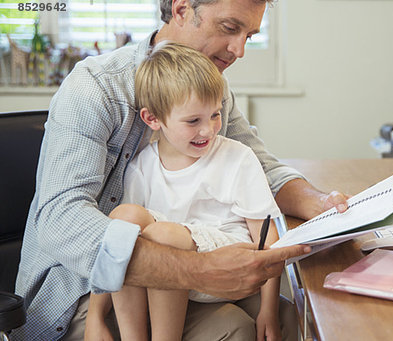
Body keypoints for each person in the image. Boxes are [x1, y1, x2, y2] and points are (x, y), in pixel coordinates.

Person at [15, 0, 349, 340]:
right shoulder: (96, 89)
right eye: (229, 28)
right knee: (235, 329)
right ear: (181, 10)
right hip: (81, 290)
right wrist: (198, 270)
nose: (239, 50)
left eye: (249, 35)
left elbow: (260, 165)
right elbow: (62, 222)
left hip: (179, 266)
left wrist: (321, 204)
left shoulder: (211, 89)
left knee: (294, 317)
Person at [85, 42, 287, 340]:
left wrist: (267, 310)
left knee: (163, 235)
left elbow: (267, 239)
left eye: (215, 115)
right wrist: (95, 316)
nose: (208, 130)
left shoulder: (237, 158)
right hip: (171, 271)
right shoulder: (142, 166)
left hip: (225, 268)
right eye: (193, 121)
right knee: (125, 218)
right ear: (152, 119)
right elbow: (114, 245)